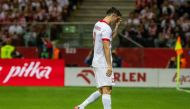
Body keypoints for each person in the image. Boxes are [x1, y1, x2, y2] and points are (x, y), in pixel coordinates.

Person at [75, 7, 122, 109]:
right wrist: (109, 65)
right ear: (113, 15)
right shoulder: (106, 28)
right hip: (103, 62)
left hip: (97, 60)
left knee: (102, 90)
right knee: (107, 90)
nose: (115, 21)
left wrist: (117, 26)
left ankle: (81, 106)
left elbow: (109, 39)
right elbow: (106, 46)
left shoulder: (98, 25)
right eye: (116, 19)